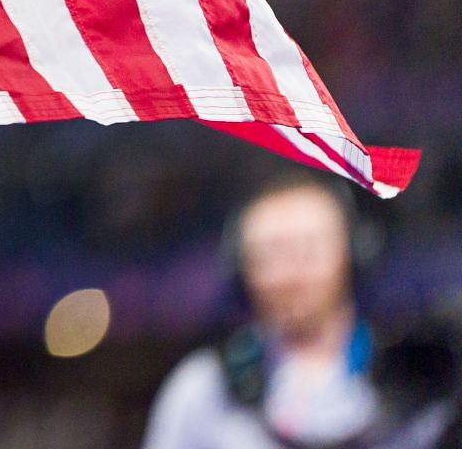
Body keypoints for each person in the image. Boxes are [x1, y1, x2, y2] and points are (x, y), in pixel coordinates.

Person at [144, 175, 390, 449]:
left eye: (307, 251)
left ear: (353, 254)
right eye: (267, 255)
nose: (289, 274)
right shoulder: (204, 388)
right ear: (240, 269)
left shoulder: (409, 379)